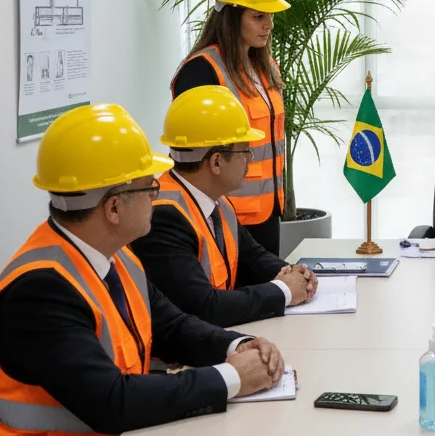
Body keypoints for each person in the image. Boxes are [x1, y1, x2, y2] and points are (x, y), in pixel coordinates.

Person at [0, 104, 286, 436]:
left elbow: (171, 326)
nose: (159, 193)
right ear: (112, 207)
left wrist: (236, 345)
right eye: (149, 187)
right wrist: (232, 378)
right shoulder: (39, 291)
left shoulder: (115, 256)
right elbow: (111, 401)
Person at [132, 87, 317, 326]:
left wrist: (297, 274)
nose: (250, 159)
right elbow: (204, 307)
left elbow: (254, 257)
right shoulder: (164, 216)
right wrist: (285, 291)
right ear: (217, 162)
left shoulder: (216, 200)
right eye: (244, 150)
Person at [171, 0, 289, 256]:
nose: (269, 25)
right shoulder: (202, 71)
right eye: (258, 16)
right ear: (231, 15)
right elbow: (193, 158)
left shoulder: (265, 67)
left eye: (270, 16)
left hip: (267, 211)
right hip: (226, 216)